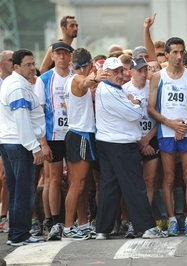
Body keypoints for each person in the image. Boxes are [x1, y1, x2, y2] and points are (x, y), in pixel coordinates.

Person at [95, 57, 166, 240]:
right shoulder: (109, 90)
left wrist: (131, 101)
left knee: (109, 186)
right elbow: (136, 114)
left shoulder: (113, 89)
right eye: (115, 72)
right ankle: (147, 228)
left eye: (121, 71)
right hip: (120, 144)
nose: (120, 75)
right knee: (134, 185)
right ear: (106, 73)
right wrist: (135, 102)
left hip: (110, 142)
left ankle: (102, 229)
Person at [148, 37, 187, 237]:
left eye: (182, 52)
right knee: (168, 177)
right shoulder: (158, 77)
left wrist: (185, 125)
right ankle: (171, 219)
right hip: (166, 132)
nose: (179, 56)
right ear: (167, 54)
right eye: (175, 52)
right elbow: (151, 108)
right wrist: (170, 124)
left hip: (186, 132)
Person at [0, 49, 47, 246]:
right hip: (19, 144)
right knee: (23, 191)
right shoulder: (18, 87)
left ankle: (17, 233)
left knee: (16, 189)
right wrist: (34, 147)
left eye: (33, 64)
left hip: (11, 142)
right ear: (16, 66)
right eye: (27, 65)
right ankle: (19, 234)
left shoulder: (15, 83)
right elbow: (22, 120)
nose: (32, 68)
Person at [62, 48, 107, 240]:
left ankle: (83, 223)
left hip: (79, 134)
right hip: (80, 135)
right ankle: (68, 227)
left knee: (84, 183)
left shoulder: (71, 79)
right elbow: (85, 82)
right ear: (89, 65)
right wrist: (96, 78)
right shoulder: (77, 79)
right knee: (78, 184)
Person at [34, 41, 74, 241]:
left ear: (70, 57)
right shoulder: (44, 79)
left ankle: (74, 222)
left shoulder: (76, 76)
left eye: (65, 54)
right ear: (52, 57)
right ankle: (55, 223)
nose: (62, 57)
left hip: (75, 134)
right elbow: (38, 113)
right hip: (53, 136)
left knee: (76, 180)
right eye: (58, 54)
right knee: (54, 180)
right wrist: (43, 143)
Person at [122, 57, 163, 231]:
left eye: (145, 70)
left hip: (151, 137)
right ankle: (130, 220)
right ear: (130, 72)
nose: (143, 74)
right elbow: (123, 119)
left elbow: (159, 116)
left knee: (149, 181)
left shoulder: (152, 87)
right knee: (132, 182)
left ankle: (144, 219)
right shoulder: (123, 90)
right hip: (133, 139)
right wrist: (140, 141)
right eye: (139, 70)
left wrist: (147, 139)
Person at [0, 50, 13, 233]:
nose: (13, 63)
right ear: (2, 64)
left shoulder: (16, 82)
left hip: (8, 135)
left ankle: (4, 216)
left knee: (5, 177)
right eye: (11, 60)